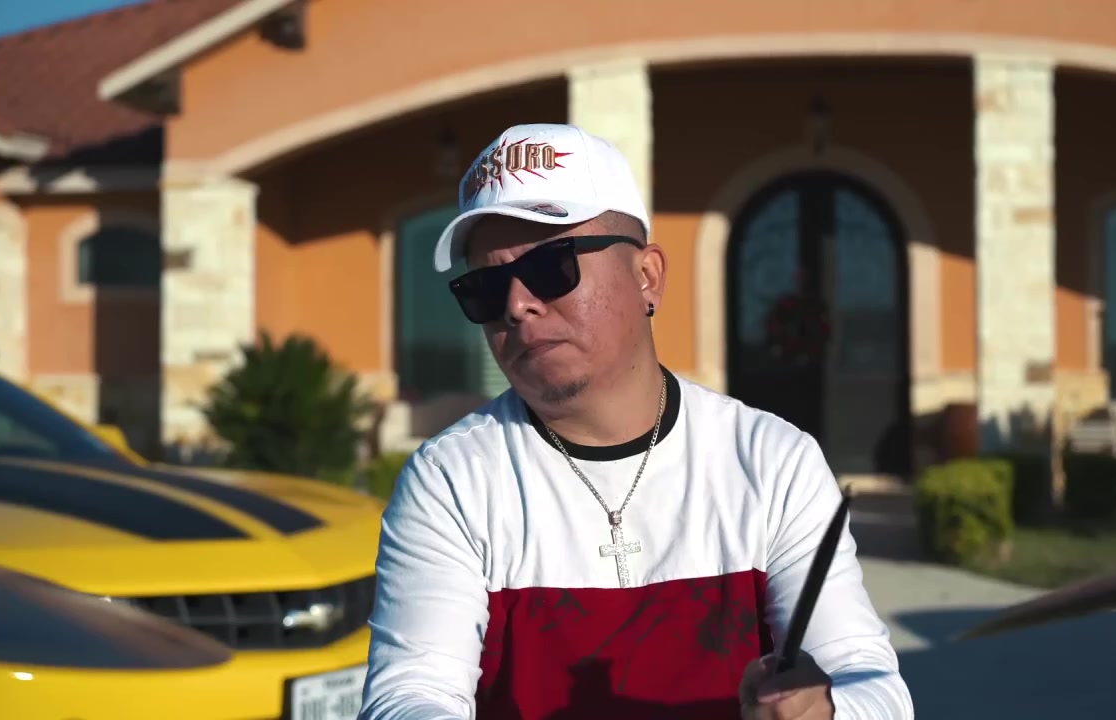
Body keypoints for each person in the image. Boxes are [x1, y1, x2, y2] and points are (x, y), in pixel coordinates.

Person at [360, 123, 914, 720]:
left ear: (647, 277)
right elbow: (410, 693)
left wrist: (824, 712)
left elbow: (871, 681)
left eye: (550, 267)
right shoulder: (451, 480)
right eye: (485, 288)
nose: (517, 305)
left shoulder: (771, 461)